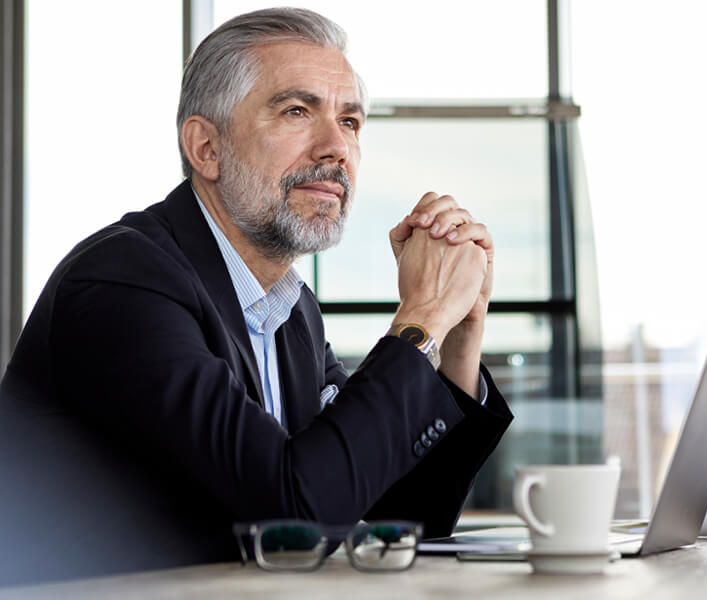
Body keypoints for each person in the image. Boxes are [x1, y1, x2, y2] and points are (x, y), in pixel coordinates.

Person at [0, 7, 512, 584]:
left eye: (350, 121)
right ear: (206, 148)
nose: (335, 147)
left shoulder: (291, 311)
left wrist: (457, 335)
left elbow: (397, 513)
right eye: (297, 111)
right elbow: (293, 515)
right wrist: (419, 318)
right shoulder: (123, 283)